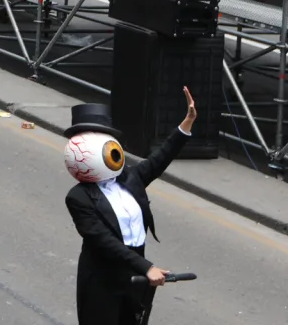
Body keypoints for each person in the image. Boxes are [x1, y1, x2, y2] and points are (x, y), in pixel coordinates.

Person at [63, 90, 198, 325]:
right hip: (102, 279)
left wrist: (187, 122)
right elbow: (103, 241)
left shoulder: (131, 178)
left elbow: (160, 158)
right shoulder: (78, 197)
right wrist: (146, 267)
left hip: (135, 273)